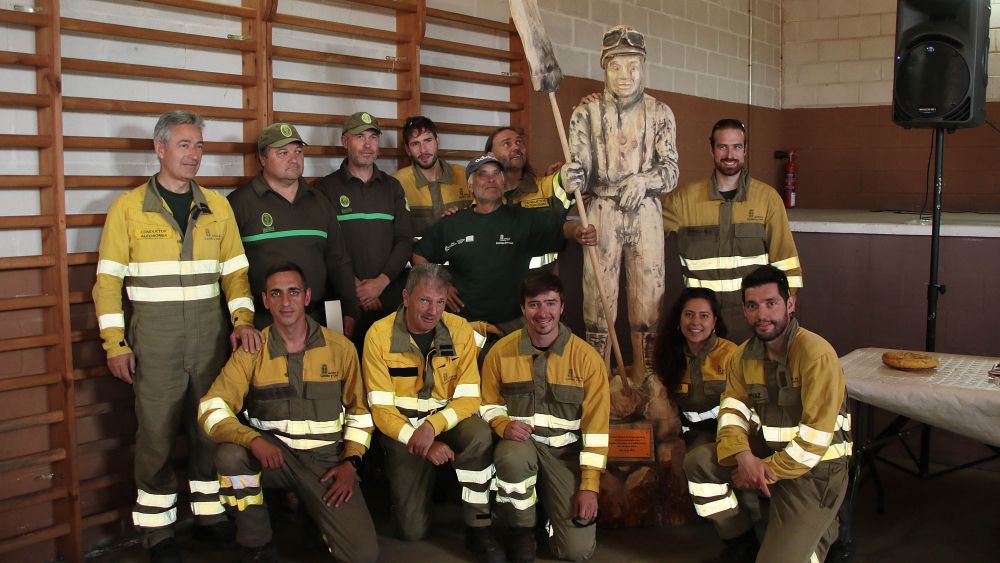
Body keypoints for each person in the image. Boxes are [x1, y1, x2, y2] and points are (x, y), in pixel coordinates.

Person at [92, 110, 261, 561]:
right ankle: (158, 531)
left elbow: (236, 274)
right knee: (156, 436)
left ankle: (209, 515)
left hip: (210, 336)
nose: (193, 154)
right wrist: (115, 344)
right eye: (184, 144)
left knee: (210, 427)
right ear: (160, 148)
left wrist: (242, 321)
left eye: (199, 145)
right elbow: (107, 284)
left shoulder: (218, 207)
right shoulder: (128, 209)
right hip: (155, 340)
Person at [198, 263, 378, 563]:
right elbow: (210, 408)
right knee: (230, 457)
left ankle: (313, 518)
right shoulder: (252, 350)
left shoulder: (340, 348)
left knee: (363, 555)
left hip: (326, 463)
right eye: (276, 293)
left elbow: (360, 414)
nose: (285, 302)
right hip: (273, 458)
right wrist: (252, 440)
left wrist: (351, 463)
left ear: (306, 297)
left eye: (293, 292)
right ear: (265, 300)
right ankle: (256, 544)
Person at [683, 266, 852, 563]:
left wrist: (762, 469)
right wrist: (743, 456)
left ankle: (828, 528)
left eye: (771, 303)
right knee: (698, 462)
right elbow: (732, 413)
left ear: (790, 304)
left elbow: (814, 441)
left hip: (816, 471)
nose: (761, 314)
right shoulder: (743, 356)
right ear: (745, 311)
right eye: (752, 306)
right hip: (769, 454)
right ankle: (740, 540)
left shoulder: (816, 355)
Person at [362, 264, 503, 563]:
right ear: (406, 297)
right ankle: (416, 488)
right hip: (402, 430)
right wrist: (423, 442)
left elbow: (469, 398)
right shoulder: (378, 335)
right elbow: (381, 409)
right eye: (425, 300)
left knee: (478, 434)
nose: (433, 311)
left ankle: (478, 525)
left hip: (445, 422)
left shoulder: (460, 329)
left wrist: (432, 427)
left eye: (440, 302)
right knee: (411, 531)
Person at [565, 24, 680, 386]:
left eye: (632, 66)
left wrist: (645, 180)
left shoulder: (660, 112)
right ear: (604, 69)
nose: (624, 75)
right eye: (615, 66)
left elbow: (671, 170)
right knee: (598, 303)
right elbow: (581, 169)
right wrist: (572, 176)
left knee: (648, 299)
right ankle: (598, 380)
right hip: (602, 210)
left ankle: (647, 379)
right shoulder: (586, 113)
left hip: (646, 212)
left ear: (644, 67)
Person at [480, 272, 610, 562]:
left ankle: (548, 513)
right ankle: (522, 531)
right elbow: (487, 403)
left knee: (576, 551)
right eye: (534, 304)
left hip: (565, 455)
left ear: (562, 307)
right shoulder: (500, 353)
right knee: (512, 459)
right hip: (521, 446)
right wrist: (502, 424)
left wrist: (589, 486)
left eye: (550, 303)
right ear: (523, 308)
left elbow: (597, 430)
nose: (543, 312)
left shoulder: (587, 359)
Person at [413, 154, 595, 341]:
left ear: (502, 182)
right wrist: (439, 285)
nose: (490, 179)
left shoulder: (523, 219)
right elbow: (419, 255)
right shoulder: (452, 223)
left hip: (513, 322)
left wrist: (579, 230)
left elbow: (563, 228)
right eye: (482, 174)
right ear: (470, 186)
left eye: (496, 174)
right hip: (464, 325)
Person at [662, 119, 802, 344]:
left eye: (737, 147)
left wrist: (786, 309)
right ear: (711, 150)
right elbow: (642, 231)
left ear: (745, 150)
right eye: (722, 147)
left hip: (753, 323)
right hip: (704, 325)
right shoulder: (682, 201)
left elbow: (786, 260)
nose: (730, 155)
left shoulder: (767, 199)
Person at [229, 122, 360, 332]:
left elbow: (338, 260)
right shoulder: (239, 204)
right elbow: (229, 272)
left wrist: (351, 309)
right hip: (262, 325)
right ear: (262, 159)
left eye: (298, 151)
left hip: (316, 320)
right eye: (283, 153)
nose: (293, 159)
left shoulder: (320, 201)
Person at [314, 111, 414, 351]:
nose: (368, 145)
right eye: (360, 137)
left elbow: (404, 240)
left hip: (389, 298)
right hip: (340, 300)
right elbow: (324, 246)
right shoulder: (325, 188)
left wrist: (380, 283)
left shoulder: (393, 187)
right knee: (341, 363)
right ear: (345, 141)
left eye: (373, 137)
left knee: (391, 362)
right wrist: (356, 289)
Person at [653, 287, 738, 448]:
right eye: (689, 314)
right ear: (679, 318)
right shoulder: (667, 354)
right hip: (682, 437)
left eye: (704, 316)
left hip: (727, 436)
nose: (695, 322)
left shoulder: (730, 354)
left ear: (714, 321)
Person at [485, 126, 572, 270]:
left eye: (519, 142)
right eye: (507, 143)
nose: (516, 147)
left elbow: (582, 177)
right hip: (496, 282)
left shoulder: (549, 186)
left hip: (540, 282)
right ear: (491, 156)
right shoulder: (483, 197)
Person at [394, 115, 473, 236]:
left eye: (428, 140)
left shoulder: (466, 175)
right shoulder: (396, 182)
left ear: (437, 140)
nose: (423, 150)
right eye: (415, 143)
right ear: (408, 150)